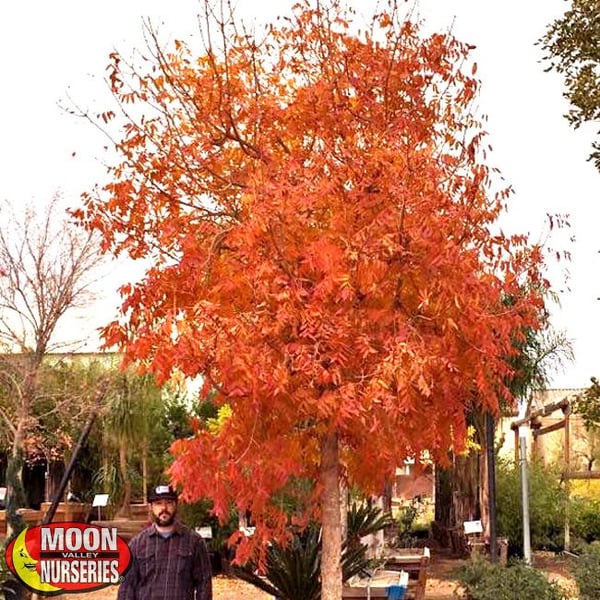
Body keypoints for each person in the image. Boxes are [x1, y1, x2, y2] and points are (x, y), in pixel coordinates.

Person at [117, 484, 213, 600]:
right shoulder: (137, 544)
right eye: (158, 503)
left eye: (169, 502)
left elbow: (204, 584)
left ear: (176, 505)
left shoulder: (194, 542)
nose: (164, 508)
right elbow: (127, 587)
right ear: (151, 507)